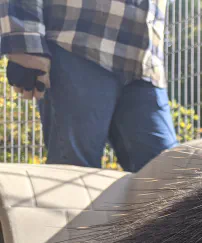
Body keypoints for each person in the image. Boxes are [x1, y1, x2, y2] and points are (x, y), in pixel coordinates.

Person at [0, 0, 178, 172]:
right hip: (76, 43)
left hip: (145, 64)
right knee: (73, 176)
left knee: (169, 177)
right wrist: (23, 42)